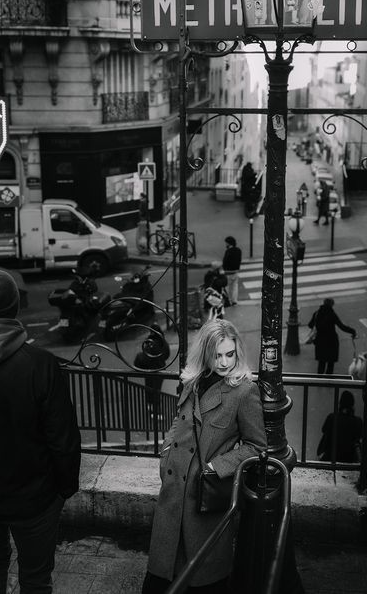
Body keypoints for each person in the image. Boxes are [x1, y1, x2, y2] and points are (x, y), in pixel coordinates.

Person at [142, 319, 267, 593]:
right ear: (205, 353)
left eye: (230, 354)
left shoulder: (244, 391)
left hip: (203, 497)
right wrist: (166, 450)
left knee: (203, 580)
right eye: (217, 355)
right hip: (174, 493)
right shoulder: (194, 380)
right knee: (161, 577)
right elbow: (180, 420)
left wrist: (215, 467)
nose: (224, 362)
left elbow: (257, 446)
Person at [0, 270, 81, 593]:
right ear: (16, 308)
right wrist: (63, 489)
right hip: (35, 498)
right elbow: (63, 439)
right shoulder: (41, 365)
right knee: (35, 580)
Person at [307, 297, 357, 375]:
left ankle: (318, 380)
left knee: (321, 363)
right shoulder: (332, 314)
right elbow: (342, 326)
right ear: (332, 305)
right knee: (330, 364)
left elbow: (310, 325)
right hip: (331, 341)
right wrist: (352, 331)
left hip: (320, 341)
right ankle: (328, 381)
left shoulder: (317, 313)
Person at [317, 390, 363, 463]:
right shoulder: (357, 421)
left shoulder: (332, 417)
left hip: (331, 456)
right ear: (352, 405)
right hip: (349, 458)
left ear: (340, 403)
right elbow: (359, 438)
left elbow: (324, 430)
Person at [222, 236, 242, 306]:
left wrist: (224, 269)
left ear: (229, 243)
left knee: (227, 287)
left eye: (226, 243)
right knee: (234, 287)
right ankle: (234, 300)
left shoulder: (228, 251)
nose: (225, 244)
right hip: (236, 271)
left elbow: (225, 261)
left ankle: (228, 300)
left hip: (228, 272)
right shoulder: (238, 250)